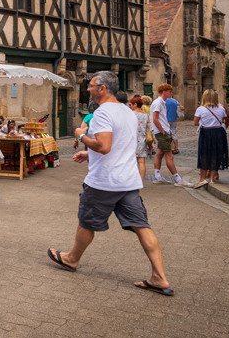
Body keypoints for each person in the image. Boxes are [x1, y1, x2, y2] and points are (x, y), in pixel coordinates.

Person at [47, 71, 175, 296]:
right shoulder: (127, 111)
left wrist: (81, 136)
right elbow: (121, 144)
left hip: (104, 181)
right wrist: (90, 155)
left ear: (103, 89)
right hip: (128, 180)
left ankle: (71, 258)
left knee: (87, 222)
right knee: (142, 226)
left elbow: (104, 146)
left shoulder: (102, 113)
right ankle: (159, 276)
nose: (88, 88)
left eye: (92, 85)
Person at [151, 84, 190, 186]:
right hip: (162, 132)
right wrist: (163, 131)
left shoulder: (162, 102)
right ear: (164, 91)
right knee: (169, 156)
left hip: (164, 130)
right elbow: (155, 119)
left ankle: (157, 176)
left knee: (159, 153)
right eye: (170, 91)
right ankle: (178, 179)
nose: (171, 93)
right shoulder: (158, 103)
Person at [192, 89, 229, 189]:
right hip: (218, 132)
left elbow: (195, 123)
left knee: (204, 155)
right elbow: (224, 120)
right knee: (215, 154)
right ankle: (212, 178)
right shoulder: (221, 108)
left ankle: (202, 179)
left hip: (206, 132)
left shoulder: (200, 109)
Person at [129, 97, 149, 181]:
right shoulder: (146, 116)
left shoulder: (130, 114)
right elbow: (149, 129)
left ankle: (131, 179)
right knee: (141, 162)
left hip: (131, 140)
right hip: (142, 140)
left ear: (135, 104)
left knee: (130, 161)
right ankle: (141, 181)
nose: (130, 106)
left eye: (131, 104)